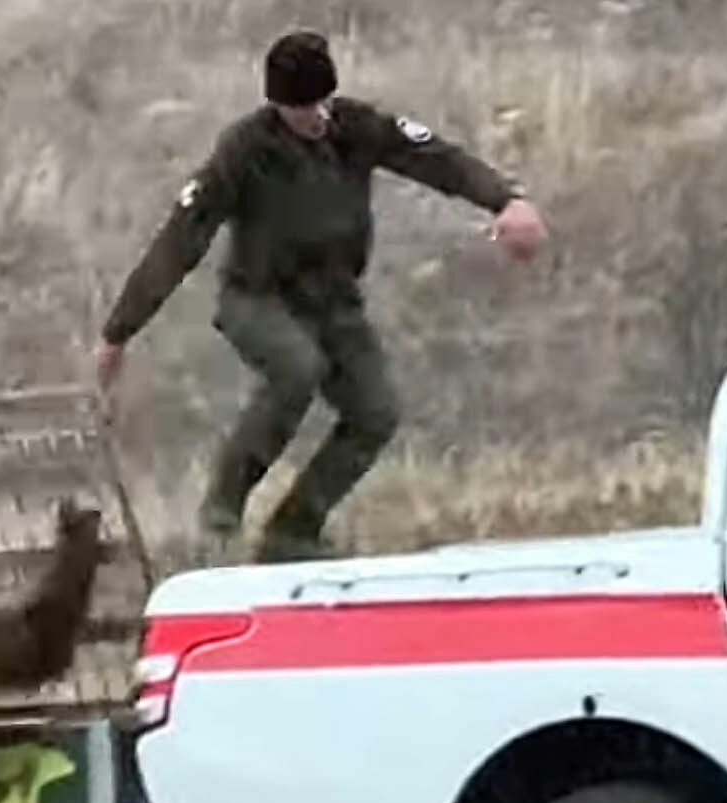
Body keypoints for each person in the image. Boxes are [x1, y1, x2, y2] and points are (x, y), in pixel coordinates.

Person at [93, 30, 549, 562]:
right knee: (296, 369)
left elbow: (437, 159)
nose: (316, 115)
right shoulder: (243, 150)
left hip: (334, 302)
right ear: (277, 104)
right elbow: (180, 239)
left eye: (322, 101)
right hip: (258, 299)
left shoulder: (356, 126)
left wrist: (505, 199)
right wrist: (118, 332)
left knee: (375, 413)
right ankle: (223, 505)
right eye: (301, 107)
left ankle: (293, 531)